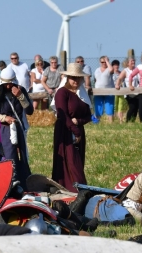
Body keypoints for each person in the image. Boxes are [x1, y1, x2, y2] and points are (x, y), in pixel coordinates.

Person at [0, 67, 33, 190]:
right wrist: (3, 118)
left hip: (18, 128)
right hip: (3, 130)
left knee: (22, 156)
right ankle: (9, 184)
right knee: (10, 156)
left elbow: (29, 111)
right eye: (6, 83)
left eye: (10, 83)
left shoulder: (20, 90)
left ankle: (23, 184)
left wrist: (20, 96)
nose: (8, 86)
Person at [52, 63, 91, 192]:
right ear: (67, 78)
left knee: (78, 161)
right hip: (65, 131)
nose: (76, 80)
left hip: (78, 131)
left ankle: (79, 188)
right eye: (73, 77)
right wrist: (75, 131)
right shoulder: (62, 93)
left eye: (78, 78)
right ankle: (72, 189)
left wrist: (78, 122)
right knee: (70, 162)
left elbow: (88, 116)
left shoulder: (81, 94)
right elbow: (63, 115)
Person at [115, 57, 140, 122]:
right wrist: (117, 85)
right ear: (127, 63)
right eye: (131, 61)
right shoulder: (125, 70)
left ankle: (132, 121)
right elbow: (119, 78)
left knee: (136, 108)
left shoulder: (137, 69)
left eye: (134, 61)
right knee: (132, 107)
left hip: (137, 92)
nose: (133, 62)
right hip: (129, 93)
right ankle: (127, 121)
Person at [93, 56, 115, 123]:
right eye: (102, 62)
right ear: (100, 62)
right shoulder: (97, 70)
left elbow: (111, 70)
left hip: (109, 91)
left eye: (105, 62)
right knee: (98, 107)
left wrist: (107, 61)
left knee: (109, 107)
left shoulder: (109, 69)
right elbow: (95, 79)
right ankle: (97, 122)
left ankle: (111, 123)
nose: (104, 63)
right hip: (98, 91)